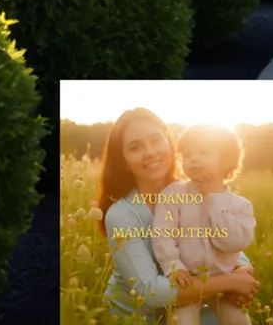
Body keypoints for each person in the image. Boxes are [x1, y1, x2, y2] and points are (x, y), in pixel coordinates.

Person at [96, 108, 259, 322]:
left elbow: (220, 239)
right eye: (135, 147)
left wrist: (243, 269)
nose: (150, 152)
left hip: (193, 300)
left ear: (169, 143)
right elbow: (148, 291)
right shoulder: (122, 214)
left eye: (156, 140)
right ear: (124, 161)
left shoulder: (196, 189)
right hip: (139, 316)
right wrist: (230, 282)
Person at [151, 123, 255, 325]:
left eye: (203, 152)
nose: (194, 159)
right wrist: (174, 267)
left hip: (226, 285)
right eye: (188, 155)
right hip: (189, 281)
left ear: (227, 161)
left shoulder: (240, 206)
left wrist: (215, 198)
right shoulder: (173, 195)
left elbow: (233, 243)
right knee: (182, 321)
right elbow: (163, 234)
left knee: (239, 320)